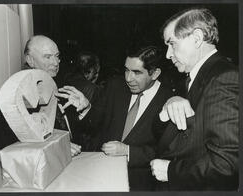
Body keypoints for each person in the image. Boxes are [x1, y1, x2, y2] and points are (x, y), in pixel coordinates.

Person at [55, 45, 173, 191]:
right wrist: (86, 108)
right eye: (126, 70)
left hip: (141, 184)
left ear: (155, 73)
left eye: (137, 72)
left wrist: (129, 151)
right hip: (103, 177)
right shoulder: (115, 85)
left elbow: (168, 153)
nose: (128, 78)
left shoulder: (169, 100)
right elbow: (95, 125)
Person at [150, 8, 239, 190]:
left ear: (197, 38)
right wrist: (166, 109)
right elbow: (169, 135)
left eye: (172, 44)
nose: (168, 54)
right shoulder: (192, 78)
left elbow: (227, 163)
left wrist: (171, 171)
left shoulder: (224, 78)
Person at [23, 35, 82, 156]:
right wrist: (57, 146)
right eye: (47, 57)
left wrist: (84, 108)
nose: (55, 63)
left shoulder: (63, 87)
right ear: (30, 60)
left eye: (57, 56)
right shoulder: (20, 95)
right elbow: (21, 143)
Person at [63, 51, 102, 150]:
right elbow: (95, 124)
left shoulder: (65, 80)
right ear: (92, 70)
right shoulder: (93, 88)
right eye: (96, 70)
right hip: (83, 145)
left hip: (66, 139)